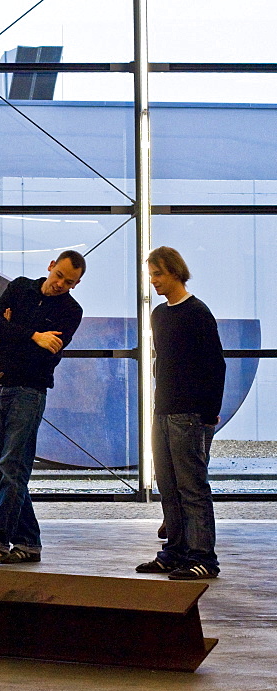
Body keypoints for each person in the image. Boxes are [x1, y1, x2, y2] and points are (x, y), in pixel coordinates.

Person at [0, 251, 85, 568]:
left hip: (28, 393)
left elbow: (46, 357)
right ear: (50, 266)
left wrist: (10, 330)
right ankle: (29, 543)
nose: (60, 283)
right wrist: (33, 335)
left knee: (11, 467)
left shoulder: (72, 312)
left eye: (69, 281)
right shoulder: (19, 287)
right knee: (7, 469)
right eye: (59, 275)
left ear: (77, 284)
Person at [136, 246, 225, 581]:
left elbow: (215, 365)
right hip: (163, 412)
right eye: (151, 276)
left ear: (174, 271)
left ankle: (204, 558)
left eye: (158, 274)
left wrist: (209, 413)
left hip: (189, 415)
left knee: (192, 489)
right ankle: (175, 553)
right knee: (169, 487)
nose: (154, 282)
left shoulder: (197, 313)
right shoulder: (159, 314)